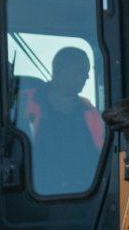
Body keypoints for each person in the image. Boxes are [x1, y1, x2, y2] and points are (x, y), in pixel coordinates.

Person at [15, 45, 106, 192]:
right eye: (82, 70)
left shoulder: (90, 112)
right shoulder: (23, 102)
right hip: (39, 196)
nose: (87, 77)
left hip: (88, 195)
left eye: (87, 71)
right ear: (60, 69)